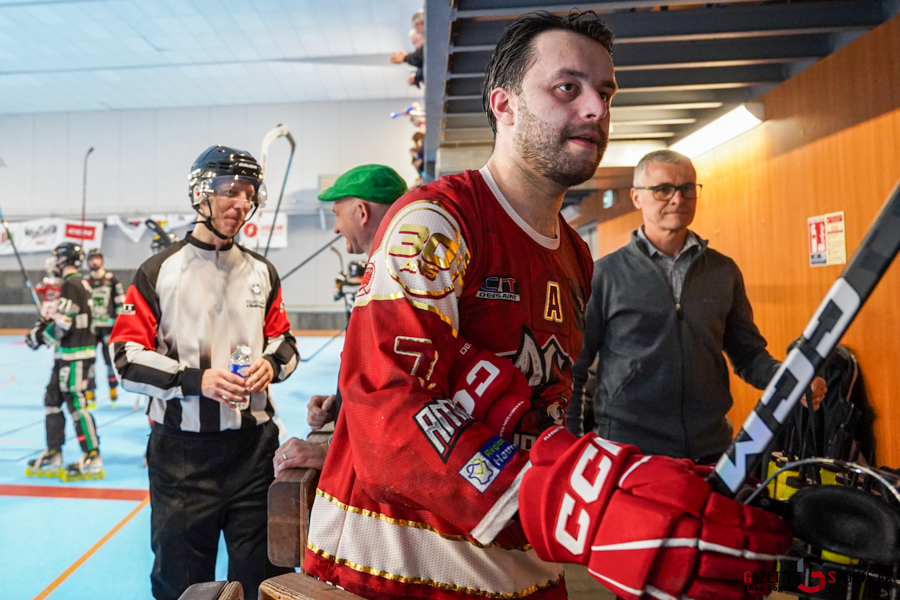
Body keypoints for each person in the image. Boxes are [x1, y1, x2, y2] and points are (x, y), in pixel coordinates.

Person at [299, 11, 791, 600]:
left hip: (528, 574)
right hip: (396, 578)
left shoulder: (575, 255)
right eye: (568, 88)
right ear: (503, 104)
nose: (596, 110)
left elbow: (549, 410)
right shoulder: (436, 223)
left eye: (605, 93)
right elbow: (388, 407)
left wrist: (638, 487)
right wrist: (577, 508)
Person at [109, 145, 299, 600]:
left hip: (255, 453)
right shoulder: (158, 271)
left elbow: (286, 344)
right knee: (182, 583)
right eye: (230, 190)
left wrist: (269, 366)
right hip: (182, 459)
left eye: (249, 193)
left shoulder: (262, 271)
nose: (241, 203)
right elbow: (125, 357)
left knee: (264, 579)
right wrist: (196, 380)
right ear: (200, 194)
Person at [566, 149, 826, 463]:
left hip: (710, 450)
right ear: (637, 197)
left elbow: (748, 355)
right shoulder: (604, 275)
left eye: (688, 188)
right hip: (629, 453)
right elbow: (575, 370)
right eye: (663, 190)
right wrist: (573, 449)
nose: (677, 199)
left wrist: (790, 381)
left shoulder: (723, 271)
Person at [274, 164, 408, 475]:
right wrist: (340, 403)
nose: (335, 228)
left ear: (361, 212)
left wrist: (329, 452)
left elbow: (400, 397)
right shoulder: (389, 268)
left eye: (337, 214)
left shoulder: (394, 280)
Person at [24, 242, 103, 481]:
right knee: (52, 399)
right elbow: (61, 318)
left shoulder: (72, 284)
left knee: (76, 404)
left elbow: (63, 324)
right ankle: (54, 451)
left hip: (75, 355)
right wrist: (46, 324)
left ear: (63, 260)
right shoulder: (75, 285)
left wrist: (39, 337)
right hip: (65, 355)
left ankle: (92, 454)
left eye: (56, 258)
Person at [85, 248, 125, 406]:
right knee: (89, 361)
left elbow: (121, 303)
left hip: (109, 327)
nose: (94, 262)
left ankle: (113, 390)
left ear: (101, 260)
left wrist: (120, 326)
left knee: (110, 361)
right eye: (91, 259)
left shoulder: (112, 280)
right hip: (92, 328)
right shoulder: (86, 282)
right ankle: (90, 392)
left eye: (97, 258)